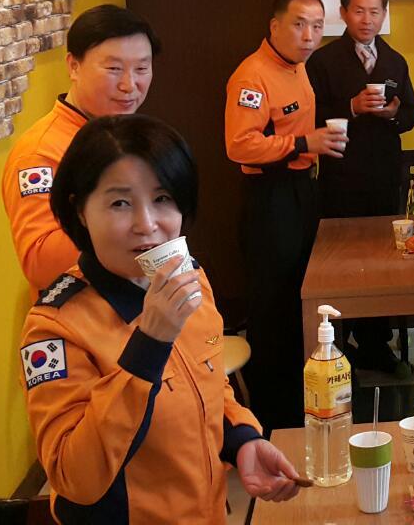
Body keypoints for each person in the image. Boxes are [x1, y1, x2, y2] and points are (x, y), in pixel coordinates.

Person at [21, 115, 303, 523]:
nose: (147, 224)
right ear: (80, 210)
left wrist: (242, 440)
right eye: (120, 203)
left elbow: (210, 383)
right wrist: (149, 344)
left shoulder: (188, 278)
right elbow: (74, 479)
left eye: (163, 198)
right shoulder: (55, 327)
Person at [225, 0, 346, 429]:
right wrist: (302, 143)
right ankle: (271, 418)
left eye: (317, 25)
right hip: (271, 197)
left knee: (301, 294)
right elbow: (240, 145)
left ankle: (302, 400)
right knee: (273, 305)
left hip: (302, 190)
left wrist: (313, 144)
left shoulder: (298, 67)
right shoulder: (252, 76)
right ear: (275, 26)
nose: (309, 35)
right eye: (299, 24)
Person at [3, 4, 160, 294]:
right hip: (88, 309)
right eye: (114, 69)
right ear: (73, 66)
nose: (130, 85)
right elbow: (41, 263)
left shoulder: (128, 134)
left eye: (141, 68)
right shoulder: (40, 153)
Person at [307, 0, 414, 371]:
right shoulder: (322, 61)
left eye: (375, 11)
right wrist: (352, 107)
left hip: (385, 173)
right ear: (343, 13)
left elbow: (412, 114)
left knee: (385, 259)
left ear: (384, 14)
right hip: (340, 175)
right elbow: (310, 116)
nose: (367, 19)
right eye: (359, 10)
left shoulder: (395, 59)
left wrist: (394, 114)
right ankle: (338, 343)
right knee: (340, 262)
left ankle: (376, 344)